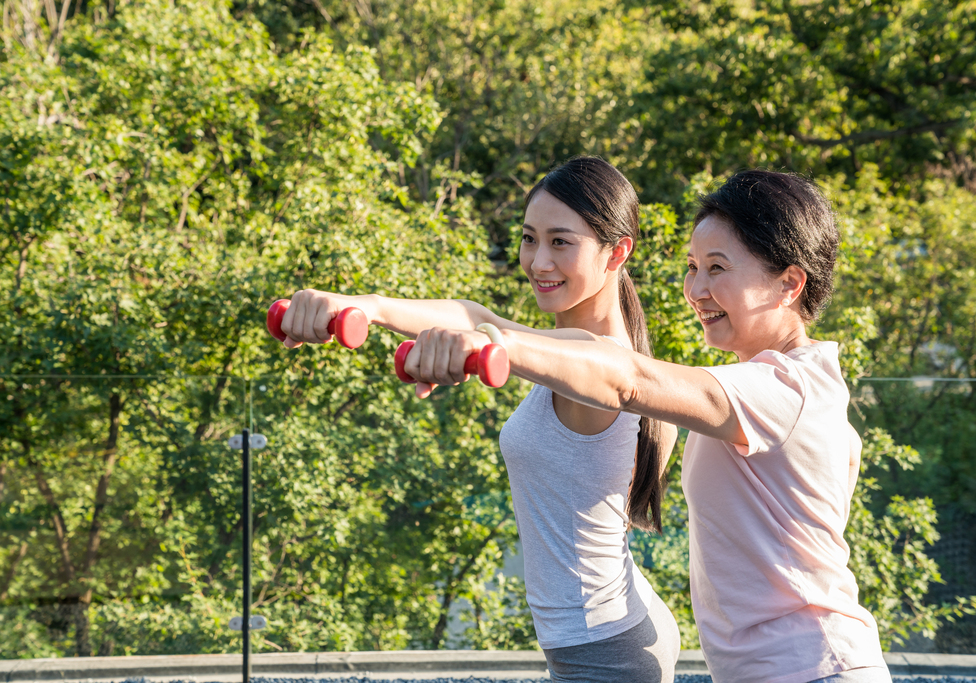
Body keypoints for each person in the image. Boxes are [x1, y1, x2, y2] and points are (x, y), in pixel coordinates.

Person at [401, 170, 892, 683]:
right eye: (693, 268)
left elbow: (627, 378)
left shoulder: (783, 389)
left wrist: (490, 348)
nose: (696, 290)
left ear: (789, 284)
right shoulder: (781, 385)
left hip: (814, 669)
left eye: (718, 269)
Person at [278, 157, 682, 682]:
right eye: (529, 238)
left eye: (561, 242)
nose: (538, 261)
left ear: (617, 252)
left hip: (600, 650)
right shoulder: (577, 350)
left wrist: (481, 345)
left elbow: (491, 332)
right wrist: (362, 306)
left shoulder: (600, 360)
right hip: (618, 620)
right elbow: (477, 316)